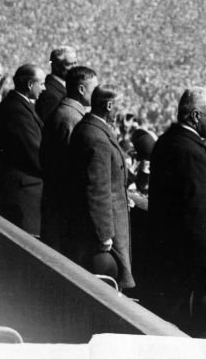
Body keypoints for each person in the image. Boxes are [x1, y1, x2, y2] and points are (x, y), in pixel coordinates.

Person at [147, 88, 206, 337]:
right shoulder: (190, 151)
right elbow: (198, 214)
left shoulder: (169, 141)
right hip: (195, 275)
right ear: (196, 116)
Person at [66, 86, 134, 290]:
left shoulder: (88, 128)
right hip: (103, 232)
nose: (122, 113)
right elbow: (97, 190)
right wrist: (104, 235)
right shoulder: (96, 136)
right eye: (120, 106)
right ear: (110, 105)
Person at [40, 65, 97, 252]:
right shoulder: (71, 117)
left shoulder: (65, 112)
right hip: (65, 206)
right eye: (93, 88)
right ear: (81, 89)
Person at [0, 64, 46, 235]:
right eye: (41, 83)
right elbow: (34, 153)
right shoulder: (16, 110)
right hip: (21, 194)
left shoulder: (20, 105)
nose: (44, 88)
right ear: (30, 85)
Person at [35, 46, 77, 123]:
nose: (74, 68)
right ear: (56, 66)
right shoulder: (49, 94)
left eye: (75, 63)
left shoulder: (66, 87)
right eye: (69, 64)